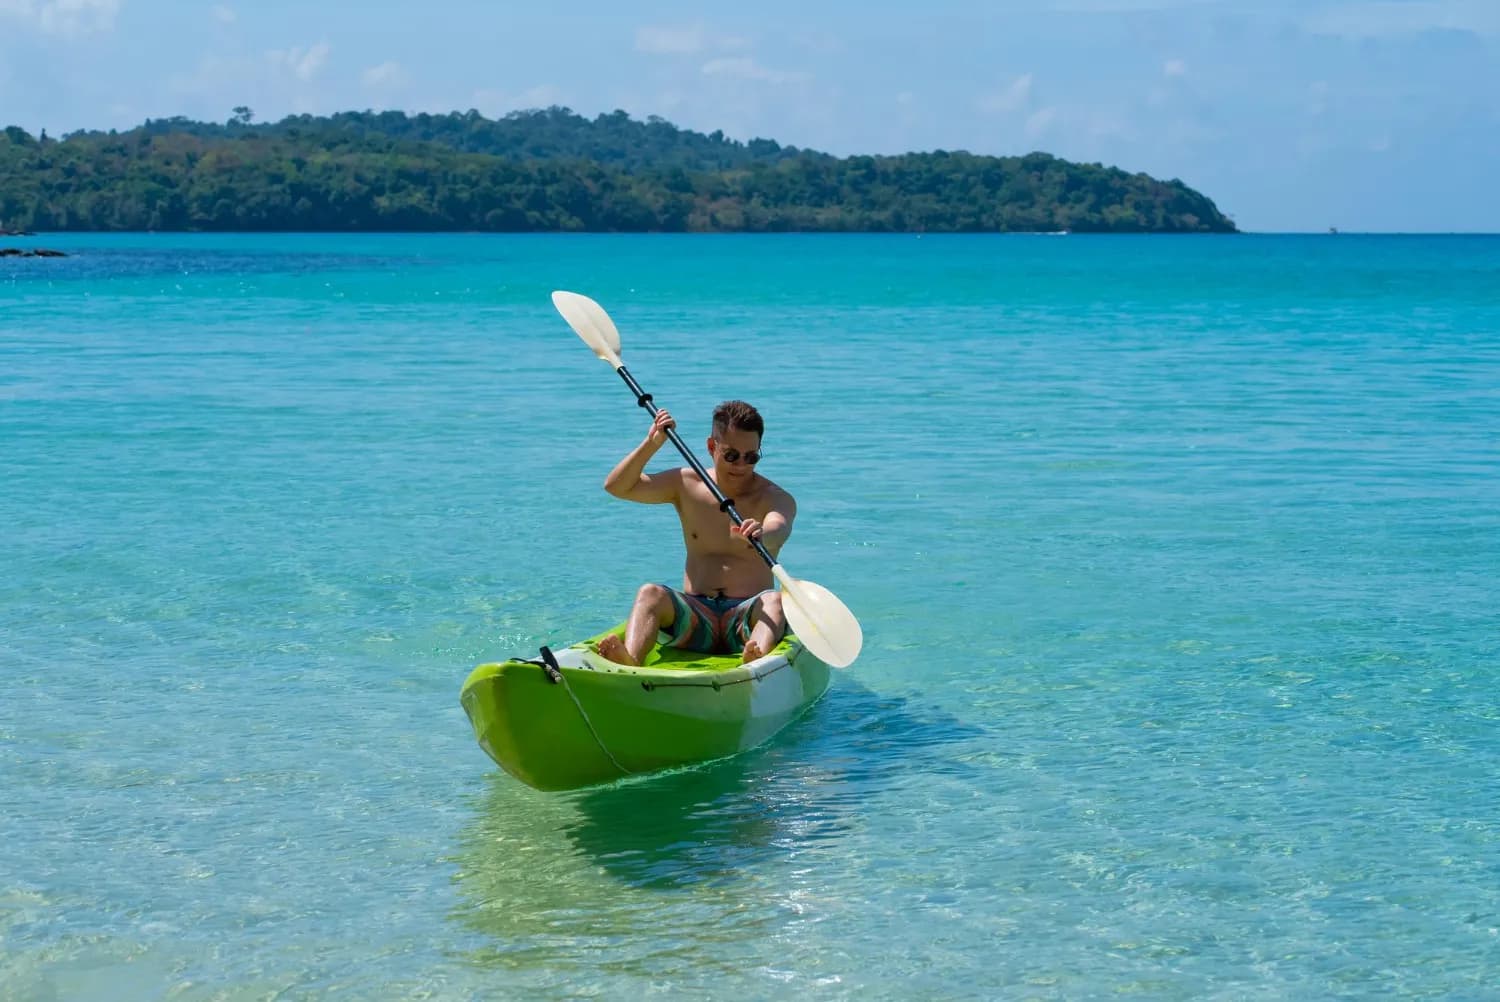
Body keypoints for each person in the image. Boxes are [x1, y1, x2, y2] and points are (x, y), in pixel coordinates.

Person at [596, 399, 795, 666]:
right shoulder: (685, 484)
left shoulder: (775, 497)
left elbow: (779, 528)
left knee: (774, 601)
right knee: (649, 593)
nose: (741, 465)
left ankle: (755, 662)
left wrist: (762, 533)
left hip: (747, 620)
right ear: (712, 447)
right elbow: (617, 487)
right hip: (697, 618)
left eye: (751, 457)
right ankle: (630, 663)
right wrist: (651, 444)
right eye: (731, 455)